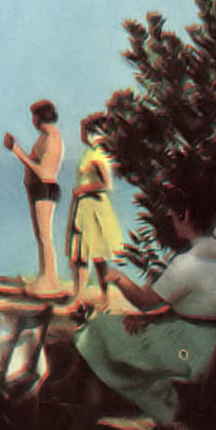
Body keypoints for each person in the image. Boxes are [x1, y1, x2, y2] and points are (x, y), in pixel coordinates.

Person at [66, 192, 216, 430]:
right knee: (117, 336)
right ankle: (159, 414)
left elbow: (145, 301)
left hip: (189, 349)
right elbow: (198, 305)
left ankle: (79, 429)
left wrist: (118, 278)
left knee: (94, 330)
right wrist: (152, 319)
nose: (169, 216)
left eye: (173, 212)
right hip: (208, 342)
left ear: (187, 216)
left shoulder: (189, 262)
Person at [3, 99, 64, 297]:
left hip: (45, 189)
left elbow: (43, 171)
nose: (32, 121)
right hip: (38, 189)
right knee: (40, 236)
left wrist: (17, 151)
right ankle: (44, 276)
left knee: (45, 236)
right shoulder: (44, 137)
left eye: (34, 117)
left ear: (40, 117)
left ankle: (50, 280)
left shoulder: (52, 139)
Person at [64, 114, 124, 310]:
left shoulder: (97, 154)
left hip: (92, 206)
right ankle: (82, 295)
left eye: (85, 131)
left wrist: (82, 189)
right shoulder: (93, 151)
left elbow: (107, 184)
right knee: (84, 254)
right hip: (87, 205)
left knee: (93, 255)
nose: (83, 135)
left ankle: (102, 296)